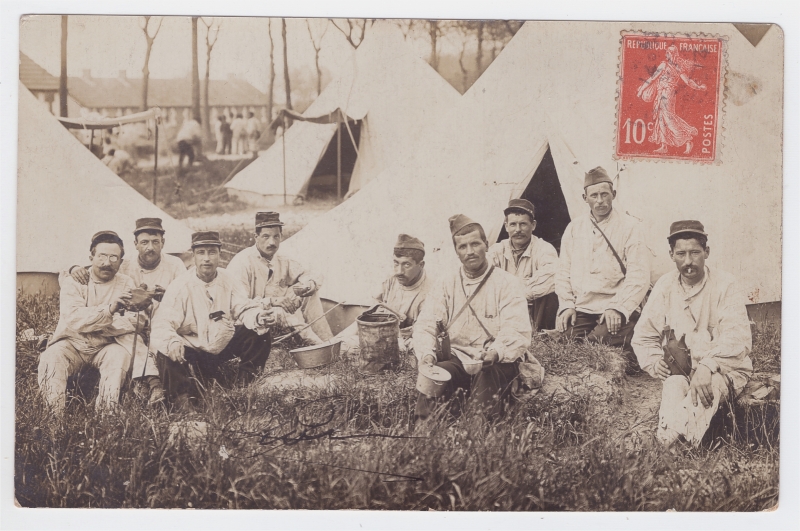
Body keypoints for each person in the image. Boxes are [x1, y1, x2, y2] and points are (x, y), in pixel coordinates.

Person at [632, 221, 753, 447]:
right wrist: (653, 360)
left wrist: (707, 366)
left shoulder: (725, 284)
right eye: (681, 254)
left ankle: (674, 445)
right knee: (672, 385)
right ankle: (670, 445)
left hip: (724, 370)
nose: (688, 261)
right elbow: (643, 335)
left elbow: (738, 339)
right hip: (683, 370)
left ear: (706, 252)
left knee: (710, 385)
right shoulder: (665, 286)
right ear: (671, 255)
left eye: (695, 252)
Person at [413, 214, 532, 422]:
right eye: (463, 247)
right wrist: (427, 355)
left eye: (475, 244)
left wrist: (495, 352)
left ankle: (479, 438)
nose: (470, 252)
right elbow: (426, 324)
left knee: (486, 384)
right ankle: (424, 435)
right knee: (434, 375)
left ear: (486, 244)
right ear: (456, 251)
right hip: (458, 359)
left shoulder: (507, 283)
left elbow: (516, 329)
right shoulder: (446, 283)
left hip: (495, 361)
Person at [66, 218, 187, 404]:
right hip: (130, 322)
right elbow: (96, 269)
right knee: (127, 335)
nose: (150, 248)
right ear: (136, 244)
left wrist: (166, 296)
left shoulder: (175, 265)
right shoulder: (123, 263)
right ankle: (150, 384)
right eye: (144, 242)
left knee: (159, 345)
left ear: (163, 243)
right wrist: (72, 269)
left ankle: (162, 392)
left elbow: (185, 296)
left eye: (156, 242)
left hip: (164, 320)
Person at [151, 231, 273, 410]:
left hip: (220, 345)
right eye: (201, 253)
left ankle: (244, 386)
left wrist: (258, 316)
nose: (206, 259)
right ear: (193, 256)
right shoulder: (180, 286)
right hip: (191, 350)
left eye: (212, 252)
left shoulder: (229, 280)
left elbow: (243, 308)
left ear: (220, 255)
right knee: (165, 350)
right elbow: (163, 324)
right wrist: (172, 343)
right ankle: (182, 401)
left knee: (259, 332)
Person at [555, 166, 650, 373]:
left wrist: (618, 307)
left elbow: (639, 276)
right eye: (594, 195)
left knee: (596, 344)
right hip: (583, 307)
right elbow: (563, 272)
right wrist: (567, 305)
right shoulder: (574, 228)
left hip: (615, 307)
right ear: (584, 198)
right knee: (565, 341)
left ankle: (624, 346)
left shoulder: (630, 227)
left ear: (613, 195)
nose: (600, 200)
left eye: (605, 194)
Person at [38, 231, 139, 414]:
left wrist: (99, 326)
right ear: (91, 256)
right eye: (101, 256)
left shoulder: (126, 283)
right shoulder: (75, 281)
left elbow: (132, 320)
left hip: (105, 345)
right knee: (51, 356)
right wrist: (110, 311)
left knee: (119, 356)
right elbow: (74, 318)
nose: (107, 263)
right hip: (72, 343)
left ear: (121, 262)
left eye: (113, 257)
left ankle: (106, 414)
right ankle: (54, 417)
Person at [225, 212, 334, 345]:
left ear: (281, 237)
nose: (272, 242)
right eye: (266, 236)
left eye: (276, 236)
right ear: (256, 237)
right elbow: (238, 306)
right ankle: (319, 346)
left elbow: (310, 273)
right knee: (277, 312)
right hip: (250, 318)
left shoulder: (282, 258)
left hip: (279, 313)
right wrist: (272, 301)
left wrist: (310, 283)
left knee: (309, 293)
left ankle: (327, 339)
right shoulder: (243, 262)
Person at [336, 234, 432, 363]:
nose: (399, 271)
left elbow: (423, 336)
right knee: (346, 338)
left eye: (407, 265)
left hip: (408, 343)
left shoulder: (431, 292)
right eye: (396, 263)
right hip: (381, 334)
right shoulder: (392, 279)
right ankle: (331, 346)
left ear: (421, 265)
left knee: (352, 346)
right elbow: (373, 310)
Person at [488, 198, 559, 331]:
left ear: (533, 225)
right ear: (506, 226)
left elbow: (551, 278)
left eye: (523, 224)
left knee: (549, 293)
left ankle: (537, 330)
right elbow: (485, 277)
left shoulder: (544, 248)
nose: (518, 230)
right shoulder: (497, 250)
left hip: (533, 311)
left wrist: (512, 293)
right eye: (513, 224)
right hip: (504, 309)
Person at [636, 45, 707, 155]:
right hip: (663, 93)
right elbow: (688, 81)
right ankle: (664, 146)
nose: (666, 55)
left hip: (667, 94)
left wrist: (641, 90)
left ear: (671, 54)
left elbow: (652, 78)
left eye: (667, 53)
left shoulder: (666, 65)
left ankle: (687, 139)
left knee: (668, 118)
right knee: (661, 118)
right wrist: (698, 87)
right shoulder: (677, 67)